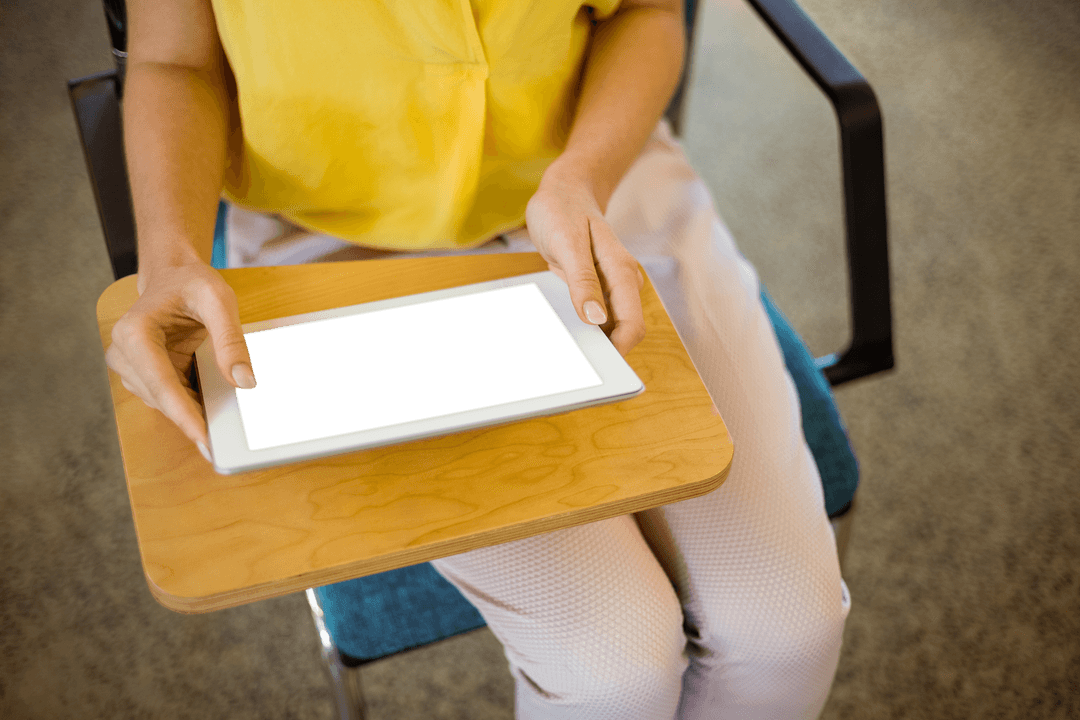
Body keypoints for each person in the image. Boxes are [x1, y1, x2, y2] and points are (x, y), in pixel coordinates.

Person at [104, 0, 851, 717]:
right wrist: (168, 252)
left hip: (593, 182)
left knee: (789, 627)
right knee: (611, 664)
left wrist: (583, 174)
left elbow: (647, 12)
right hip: (332, 235)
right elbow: (174, 58)